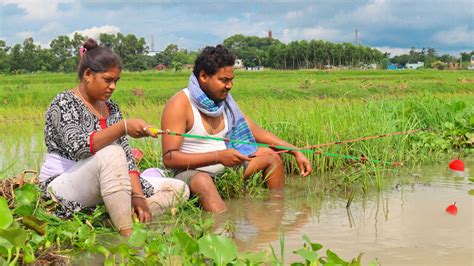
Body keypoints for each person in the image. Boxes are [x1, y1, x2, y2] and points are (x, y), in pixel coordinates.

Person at [39, 39, 189, 237]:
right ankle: (127, 237)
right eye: (107, 80)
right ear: (88, 75)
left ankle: (117, 218)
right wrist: (123, 127)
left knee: (179, 189)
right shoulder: (64, 102)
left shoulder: (111, 108)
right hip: (66, 183)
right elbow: (79, 147)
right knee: (111, 152)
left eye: (116, 81)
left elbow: (127, 158)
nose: (113, 87)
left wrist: (137, 195)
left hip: (110, 181)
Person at [161, 45, 312, 213]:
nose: (229, 86)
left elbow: (256, 132)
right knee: (203, 181)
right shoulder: (180, 104)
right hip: (193, 175)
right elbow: (169, 158)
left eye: (231, 80)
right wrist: (219, 157)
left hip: (226, 170)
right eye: (224, 80)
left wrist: (294, 150)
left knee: (271, 156)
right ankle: (224, 226)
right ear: (203, 76)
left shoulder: (224, 102)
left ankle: (275, 215)